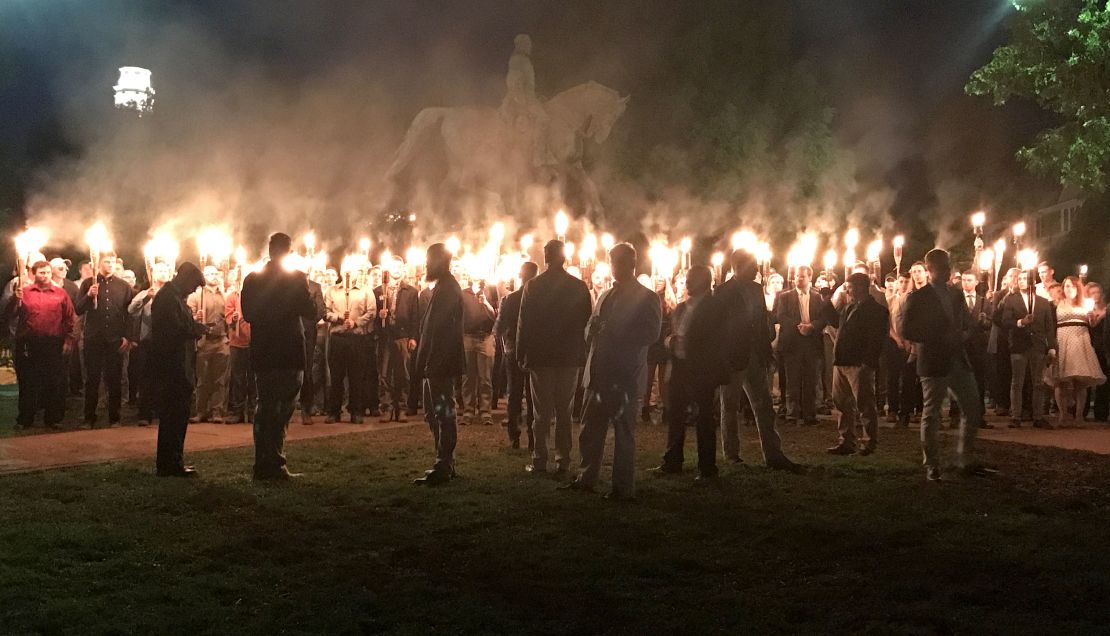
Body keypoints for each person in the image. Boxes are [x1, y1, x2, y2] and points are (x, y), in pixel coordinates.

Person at [563, 243, 662, 499]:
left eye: (618, 261)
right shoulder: (606, 295)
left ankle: (622, 487)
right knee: (590, 429)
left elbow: (651, 333)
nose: (614, 266)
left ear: (631, 263)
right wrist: (591, 331)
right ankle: (586, 476)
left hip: (624, 374)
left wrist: (617, 332)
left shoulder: (647, 297)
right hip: (597, 372)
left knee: (623, 433)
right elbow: (590, 327)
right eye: (612, 261)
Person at [901, 248, 987, 481]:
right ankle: (932, 463)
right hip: (934, 361)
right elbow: (907, 330)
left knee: (973, 408)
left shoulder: (955, 294)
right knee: (931, 413)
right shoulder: (918, 297)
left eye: (948, 265)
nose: (947, 270)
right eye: (942, 266)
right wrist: (939, 336)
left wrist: (970, 330)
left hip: (958, 359)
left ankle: (964, 457)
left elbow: (966, 322)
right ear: (930, 270)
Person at [241, 233, 318, 480]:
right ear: (288, 251)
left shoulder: (252, 279)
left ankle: (264, 463)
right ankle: (274, 462)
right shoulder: (296, 279)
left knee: (266, 406)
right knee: (282, 408)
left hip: (264, 351)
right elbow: (311, 312)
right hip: (288, 351)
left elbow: (249, 314)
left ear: (271, 249)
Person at [716, 250, 800, 471]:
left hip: (755, 355)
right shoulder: (723, 292)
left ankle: (773, 454)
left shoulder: (755, 289)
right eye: (751, 265)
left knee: (764, 406)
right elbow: (720, 327)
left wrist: (766, 346)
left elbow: (761, 319)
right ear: (737, 267)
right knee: (730, 406)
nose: (755, 269)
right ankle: (732, 455)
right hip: (734, 357)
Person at [516, 240, 593, 475]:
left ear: (546, 258)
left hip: (542, 356)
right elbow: (586, 322)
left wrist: (521, 353)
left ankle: (540, 458)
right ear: (564, 258)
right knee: (564, 411)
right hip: (568, 356)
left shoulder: (534, 286)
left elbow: (524, 323)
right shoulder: (578, 287)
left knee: (541, 412)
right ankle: (563, 459)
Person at [653, 265, 728, 480]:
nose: (687, 282)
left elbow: (717, 340)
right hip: (680, 367)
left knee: (704, 418)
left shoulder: (715, 307)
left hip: (702, 369)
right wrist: (670, 342)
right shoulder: (681, 308)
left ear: (704, 281)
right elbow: (670, 333)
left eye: (691, 278)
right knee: (676, 415)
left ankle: (707, 468)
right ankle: (672, 461)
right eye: (687, 278)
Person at [412, 243, 466, 486]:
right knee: (433, 413)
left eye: (428, 259)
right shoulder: (442, 287)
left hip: (440, 362)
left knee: (443, 413)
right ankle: (444, 461)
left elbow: (438, 331)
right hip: (435, 362)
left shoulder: (448, 289)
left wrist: (428, 360)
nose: (425, 264)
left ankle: (443, 463)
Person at [4, 261, 76, 429]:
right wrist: (15, 300)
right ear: (34, 274)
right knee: (28, 382)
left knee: (53, 381)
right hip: (29, 342)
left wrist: (68, 340)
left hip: (53, 343)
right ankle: (25, 419)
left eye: (48, 273)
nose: (46, 276)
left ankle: (53, 419)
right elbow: (9, 314)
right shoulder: (24, 292)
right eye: (42, 273)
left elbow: (69, 319)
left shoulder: (60, 293)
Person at [151, 262, 206, 477]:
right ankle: (170, 463)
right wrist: (198, 329)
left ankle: (173, 460)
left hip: (178, 365)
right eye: (193, 286)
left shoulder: (173, 297)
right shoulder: (168, 298)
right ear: (186, 279)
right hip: (172, 366)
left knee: (177, 415)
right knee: (173, 415)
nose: (193, 291)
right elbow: (176, 329)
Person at [827, 273, 889, 455]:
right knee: (842, 402)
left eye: (851, 287)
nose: (848, 290)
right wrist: (826, 301)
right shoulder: (849, 307)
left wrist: (868, 363)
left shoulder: (876, 310)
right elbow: (837, 324)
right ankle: (846, 440)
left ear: (862, 287)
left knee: (864, 403)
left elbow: (876, 340)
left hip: (859, 363)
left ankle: (869, 441)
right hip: (842, 361)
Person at [75, 253, 134, 427]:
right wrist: (89, 295)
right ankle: (89, 417)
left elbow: (129, 314)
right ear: (98, 263)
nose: (110, 264)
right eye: (106, 261)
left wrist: (128, 336)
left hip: (115, 339)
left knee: (114, 379)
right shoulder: (88, 283)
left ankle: (114, 418)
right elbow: (78, 309)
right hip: (94, 339)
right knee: (92, 379)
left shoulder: (123, 286)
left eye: (113, 262)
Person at [1045, 277, 1105, 426]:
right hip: (1062, 340)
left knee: (1081, 382)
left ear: (1077, 288)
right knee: (1060, 380)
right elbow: (1051, 324)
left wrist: (1092, 318)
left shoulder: (1085, 303)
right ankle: (1063, 415)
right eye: (1066, 286)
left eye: (1071, 286)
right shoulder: (1057, 304)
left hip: (1080, 341)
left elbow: (1092, 324)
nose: (1068, 289)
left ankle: (1079, 416)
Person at [1000, 270, 1057, 429]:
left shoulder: (1043, 302)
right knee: (1017, 382)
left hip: (1037, 346)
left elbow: (1049, 327)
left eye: (1025, 279)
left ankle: (1038, 416)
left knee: (1038, 382)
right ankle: (1016, 416)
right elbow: (1005, 321)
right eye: (1020, 279)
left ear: (1031, 282)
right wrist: (1021, 322)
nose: (1022, 281)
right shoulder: (1011, 300)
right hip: (1019, 345)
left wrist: (1051, 347)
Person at [772, 265, 827, 426]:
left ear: (810, 277)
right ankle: (792, 413)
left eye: (802, 276)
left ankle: (810, 414)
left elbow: (823, 317)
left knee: (811, 379)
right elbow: (781, 316)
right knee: (792, 380)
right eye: (797, 276)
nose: (798, 279)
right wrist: (799, 326)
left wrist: (812, 327)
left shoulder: (817, 297)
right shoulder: (785, 297)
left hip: (811, 343)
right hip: (792, 343)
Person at [495, 261, 538, 449]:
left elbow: (499, 327)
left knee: (514, 393)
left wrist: (507, 341)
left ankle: (514, 434)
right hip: (533, 351)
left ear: (521, 275)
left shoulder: (510, 299)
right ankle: (531, 435)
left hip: (513, 350)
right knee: (532, 395)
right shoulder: (540, 299)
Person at [324, 267, 374, 424]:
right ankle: (334, 411)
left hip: (356, 339)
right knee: (336, 376)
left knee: (356, 376)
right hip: (338, 338)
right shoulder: (332, 291)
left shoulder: (365, 291)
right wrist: (339, 318)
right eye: (346, 269)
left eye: (352, 270)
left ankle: (356, 411)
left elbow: (371, 311)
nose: (349, 273)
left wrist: (355, 322)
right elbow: (324, 312)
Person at [128, 261, 172, 426]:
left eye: (166, 270)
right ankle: (144, 413)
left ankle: (161, 412)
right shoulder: (146, 293)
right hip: (148, 342)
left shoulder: (173, 295)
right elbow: (131, 310)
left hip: (168, 343)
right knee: (147, 379)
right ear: (152, 274)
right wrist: (146, 298)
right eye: (160, 270)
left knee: (165, 379)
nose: (163, 273)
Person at [375, 262, 419, 423]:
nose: (396, 270)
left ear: (403, 270)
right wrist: (379, 317)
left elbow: (415, 316)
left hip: (403, 337)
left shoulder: (411, 292)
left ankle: (401, 408)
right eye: (392, 266)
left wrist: (413, 337)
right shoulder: (379, 291)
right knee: (385, 374)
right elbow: (373, 317)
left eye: (399, 267)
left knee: (403, 374)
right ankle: (386, 408)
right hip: (386, 337)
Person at [187, 265, 229, 423]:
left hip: (221, 340)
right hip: (204, 341)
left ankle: (217, 411)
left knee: (220, 379)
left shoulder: (225, 294)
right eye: (210, 273)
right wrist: (195, 317)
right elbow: (188, 316)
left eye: (216, 273)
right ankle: (201, 410)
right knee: (203, 379)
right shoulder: (196, 295)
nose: (213, 276)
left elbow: (230, 316)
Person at [460, 273, 497, 425]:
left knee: (485, 378)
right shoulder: (463, 294)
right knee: (468, 377)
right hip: (468, 337)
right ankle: (468, 410)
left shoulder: (491, 291)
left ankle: (485, 412)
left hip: (486, 338)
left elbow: (496, 315)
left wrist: (485, 302)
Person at [959, 271, 994, 426]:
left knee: (978, 380)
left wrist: (984, 321)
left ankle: (978, 414)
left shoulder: (984, 302)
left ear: (976, 282)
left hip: (979, 347)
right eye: (964, 280)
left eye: (969, 280)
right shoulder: (956, 301)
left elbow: (990, 324)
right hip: (961, 346)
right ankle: (959, 414)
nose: (966, 283)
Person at [642, 276, 676, 423]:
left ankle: (666, 410)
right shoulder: (647, 298)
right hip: (651, 344)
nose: (659, 281)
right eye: (657, 278)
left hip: (663, 343)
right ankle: (645, 408)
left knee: (663, 380)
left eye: (662, 278)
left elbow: (673, 320)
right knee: (648, 378)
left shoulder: (669, 299)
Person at [224, 271, 255, 424]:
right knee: (238, 379)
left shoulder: (256, 296)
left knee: (253, 379)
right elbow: (228, 317)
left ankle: (252, 410)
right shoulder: (232, 297)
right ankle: (238, 410)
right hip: (237, 343)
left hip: (254, 342)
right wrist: (233, 318)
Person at [1084, 282, 1108, 421]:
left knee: (1104, 380)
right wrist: (1098, 317)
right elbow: (1090, 327)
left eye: (1097, 292)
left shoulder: (1107, 309)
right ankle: (1083, 411)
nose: (1096, 296)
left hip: (1104, 348)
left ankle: (1101, 413)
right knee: (1087, 381)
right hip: (1091, 347)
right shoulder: (1088, 311)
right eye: (1092, 293)